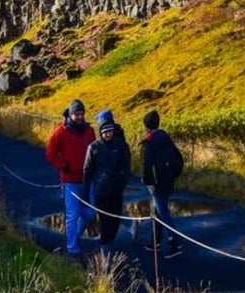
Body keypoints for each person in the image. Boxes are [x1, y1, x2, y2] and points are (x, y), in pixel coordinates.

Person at [46, 100, 96, 256]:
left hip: (87, 179)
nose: (80, 117)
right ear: (70, 114)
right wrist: (63, 165)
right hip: (69, 180)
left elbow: (95, 150)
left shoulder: (89, 131)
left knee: (90, 214)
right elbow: (50, 153)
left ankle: (74, 236)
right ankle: (72, 248)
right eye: (76, 114)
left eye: (82, 114)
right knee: (72, 215)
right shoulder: (60, 132)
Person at [83, 110, 132, 252]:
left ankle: (109, 244)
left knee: (115, 222)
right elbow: (87, 171)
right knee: (105, 224)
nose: (108, 134)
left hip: (117, 191)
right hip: (101, 192)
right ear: (100, 132)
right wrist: (86, 193)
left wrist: (123, 181)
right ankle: (106, 258)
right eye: (105, 131)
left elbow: (126, 165)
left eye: (110, 131)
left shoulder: (121, 145)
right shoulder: (93, 148)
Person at [138, 110, 184, 256]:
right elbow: (178, 157)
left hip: (158, 182)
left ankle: (175, 243)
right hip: (168, 179)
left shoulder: (150, 142)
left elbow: (147, 165)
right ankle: (155, 241)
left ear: (146, 126)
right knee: (159, 211)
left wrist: (149, 182)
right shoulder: (166, 138)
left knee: (163, 212)